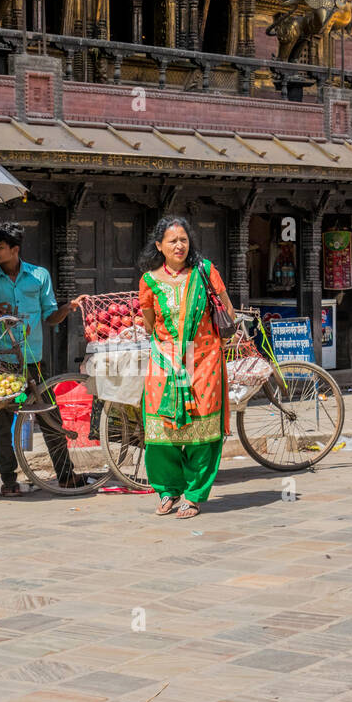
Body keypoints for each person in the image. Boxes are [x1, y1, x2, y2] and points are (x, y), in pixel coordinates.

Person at [0, 221, 89, 496]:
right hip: (1, 360)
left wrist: (68, 308)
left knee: (51, 419)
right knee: (2, 423)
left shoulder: (39, 276)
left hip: (34, 360)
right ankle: (8, 481)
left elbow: (50, 316)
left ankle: (65, 475)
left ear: (15, 249)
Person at [137, 216, 234, 519]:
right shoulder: (149, 281)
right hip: (165, 361)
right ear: (159, 246)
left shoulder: (205, 272)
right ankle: (168, 489)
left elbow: (227, 309)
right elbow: (151, 324)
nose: (179, 245)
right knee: (158, 429)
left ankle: (193, 495)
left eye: (184, 239)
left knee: (202, 430)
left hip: (205, 360)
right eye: (172, 241)